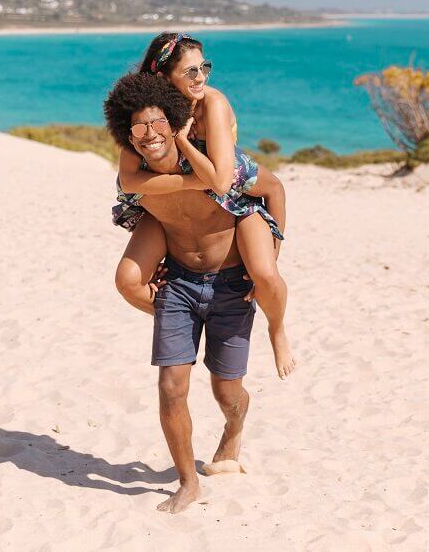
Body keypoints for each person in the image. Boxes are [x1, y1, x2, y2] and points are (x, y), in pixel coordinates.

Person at [103, 73, 286, 514]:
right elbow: (134, 197)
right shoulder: (138, 180)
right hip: (179, 286)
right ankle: (188, 483)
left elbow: (272, 187)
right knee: (171, 386)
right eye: (138, 128)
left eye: (157, 123)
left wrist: (276, 246)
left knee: (228, 394)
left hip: (232, 287)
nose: (149, 136)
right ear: (127, 136)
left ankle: (234, 429)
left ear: (174, 122)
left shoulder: (214, 166)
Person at [113, 32, 296, 379]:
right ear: (163, 77)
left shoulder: (212, 103)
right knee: (127, 280)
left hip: (229, 178)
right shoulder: (149, 112)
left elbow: (223, 180)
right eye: (190, 72)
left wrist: (182, 138)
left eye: (204, 68)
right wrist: (190, 178)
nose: (201, 78)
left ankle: (277, 329)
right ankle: (184, 317)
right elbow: (129, 181)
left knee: (266, 272)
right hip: (198, 183)